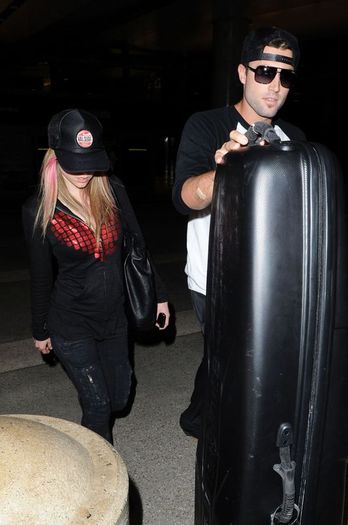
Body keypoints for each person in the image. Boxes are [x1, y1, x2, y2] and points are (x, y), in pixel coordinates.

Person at [172, 26, 306, 439]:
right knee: (231, 358)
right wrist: (226, 169)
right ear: (243, 73)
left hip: (272, 278)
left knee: (252, 358)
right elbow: (185, 197)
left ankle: (218, 419)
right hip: (217, 278)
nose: (275, 86)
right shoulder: (208, 126)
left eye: (286, 76)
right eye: (265, 72)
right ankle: (213, 429)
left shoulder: (293, 138)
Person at [22, 108, 170, 444]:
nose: (84, 172)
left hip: (114, 319)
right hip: (70, 323)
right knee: (98, 405)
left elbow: (137, 245)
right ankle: (99, 473)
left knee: (119, 396)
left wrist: (159, 294)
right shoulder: (38, 209)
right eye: (74, 162)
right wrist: (39, 329)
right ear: (55, 156)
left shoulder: (113, 190)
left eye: (90, 161)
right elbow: (41, 276)